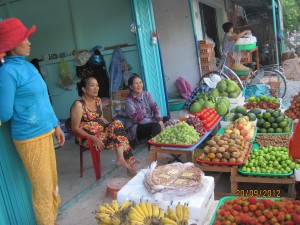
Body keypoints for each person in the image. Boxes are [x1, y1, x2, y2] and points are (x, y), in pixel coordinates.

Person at [0, 18, 65, 225]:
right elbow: (5, 113)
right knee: (43, 189)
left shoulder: (28, 67)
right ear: (11, 45)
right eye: (24, 38)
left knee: (52, 182)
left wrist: (56, 125)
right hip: (30, 138)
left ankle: (53, 217)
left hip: (45, 131)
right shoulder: (7, 73)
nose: (29, 42)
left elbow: (44, 99)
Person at [70, 76, 136, 176]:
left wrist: (114, 128)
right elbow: (74, 128)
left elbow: (101, 118)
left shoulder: (98, 101)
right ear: (83, 89)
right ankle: (128, 165)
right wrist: (93, 138)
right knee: (121, 139)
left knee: (118, 127)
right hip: (88, 137)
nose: (96, 88)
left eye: (97, 85)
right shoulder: (78, 105)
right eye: (92, 85)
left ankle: (121, 159)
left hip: (101, 131)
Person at [125, 74, 165, 145]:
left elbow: (155, 107)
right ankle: (153, 147)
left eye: (140, 82)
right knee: (156, 126)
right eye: (136, 83)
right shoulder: (128, 101)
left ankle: (154, 138)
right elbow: (136, 119)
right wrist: (155, 121)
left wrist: (159, 119)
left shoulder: (147, 94)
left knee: (166, 118)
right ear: (131, 87)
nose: (139, 85)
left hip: (149, 121)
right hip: (136, 127)